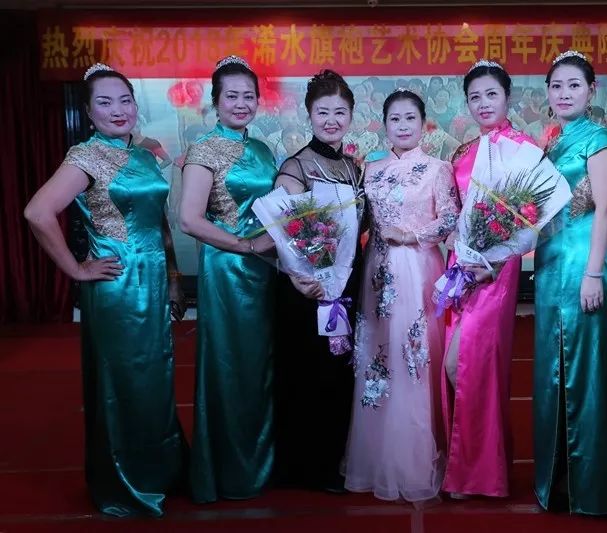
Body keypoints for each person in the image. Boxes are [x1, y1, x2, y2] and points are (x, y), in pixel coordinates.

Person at [24, 63, 187, 517]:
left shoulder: (146, 152)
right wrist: (75, 269)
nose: (118, 110)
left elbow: (160, 223)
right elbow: (37, 212)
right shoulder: (85, 156)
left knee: (156, 378)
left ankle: (160, 470)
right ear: (88, 111)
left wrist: (174, 279)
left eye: (125, 100)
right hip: (117, 284)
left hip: (154, 279)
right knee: (125, 382)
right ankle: (125, 482)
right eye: (105, 102)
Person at [344, 90, 458, 502]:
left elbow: (450, 218)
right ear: (384, 124)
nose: (403, 126)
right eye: (395, 119)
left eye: (411, 118)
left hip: (419, 270)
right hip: (376, 272)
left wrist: (410, 235)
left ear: (424, 123)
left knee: (415, 358)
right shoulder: (370, 170)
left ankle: (416, 459)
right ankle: (377, 456)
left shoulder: (438, 168)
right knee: (379, 358)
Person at [179, 55, 278, 503]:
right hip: (227, 268)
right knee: (231, 364)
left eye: (248, 96)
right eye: (231, 96)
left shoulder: (262, 149)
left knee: (261, 366)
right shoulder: (203, 150)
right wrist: (244, 246)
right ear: (216, 101)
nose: (241, 104)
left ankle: (262, 462)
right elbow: (190, 220)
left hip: (266, 268)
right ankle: (230, 470)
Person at [532, 50, 607, 515]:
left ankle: (591, 488)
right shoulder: (554, 143)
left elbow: (605, 207)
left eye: (573, 85)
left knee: (583, 373)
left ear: (591, 90)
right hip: (551, 265)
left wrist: (593, 272)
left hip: (581, 264)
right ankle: (558, 481)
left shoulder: (600, 138)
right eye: (557, 86)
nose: (564, 93)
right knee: (555, 372)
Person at [440, 60, 530, 499]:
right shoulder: (464, 152)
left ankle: (478, 473)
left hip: (495, 271)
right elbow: (457, 211)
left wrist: (491, 260)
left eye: (491, 94)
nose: (483, 103)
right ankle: (472, 471)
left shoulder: (523, 149)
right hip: (460, 267)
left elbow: (527, 217)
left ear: (507, 97)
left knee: (467, 364)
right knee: (459, 367)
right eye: (474, 97)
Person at [271, 69, 364, 493]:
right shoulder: (295, 167)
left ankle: (333, 458)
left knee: (340, 370)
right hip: (306, 290)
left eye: (339, 112)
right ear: (309, 115)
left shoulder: (352, 167)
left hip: (345, 283)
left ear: (351, 116)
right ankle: (306, 466)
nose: (331, 120)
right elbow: (287, 233)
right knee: (309, 373)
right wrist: (299, 277)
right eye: (322, 112)